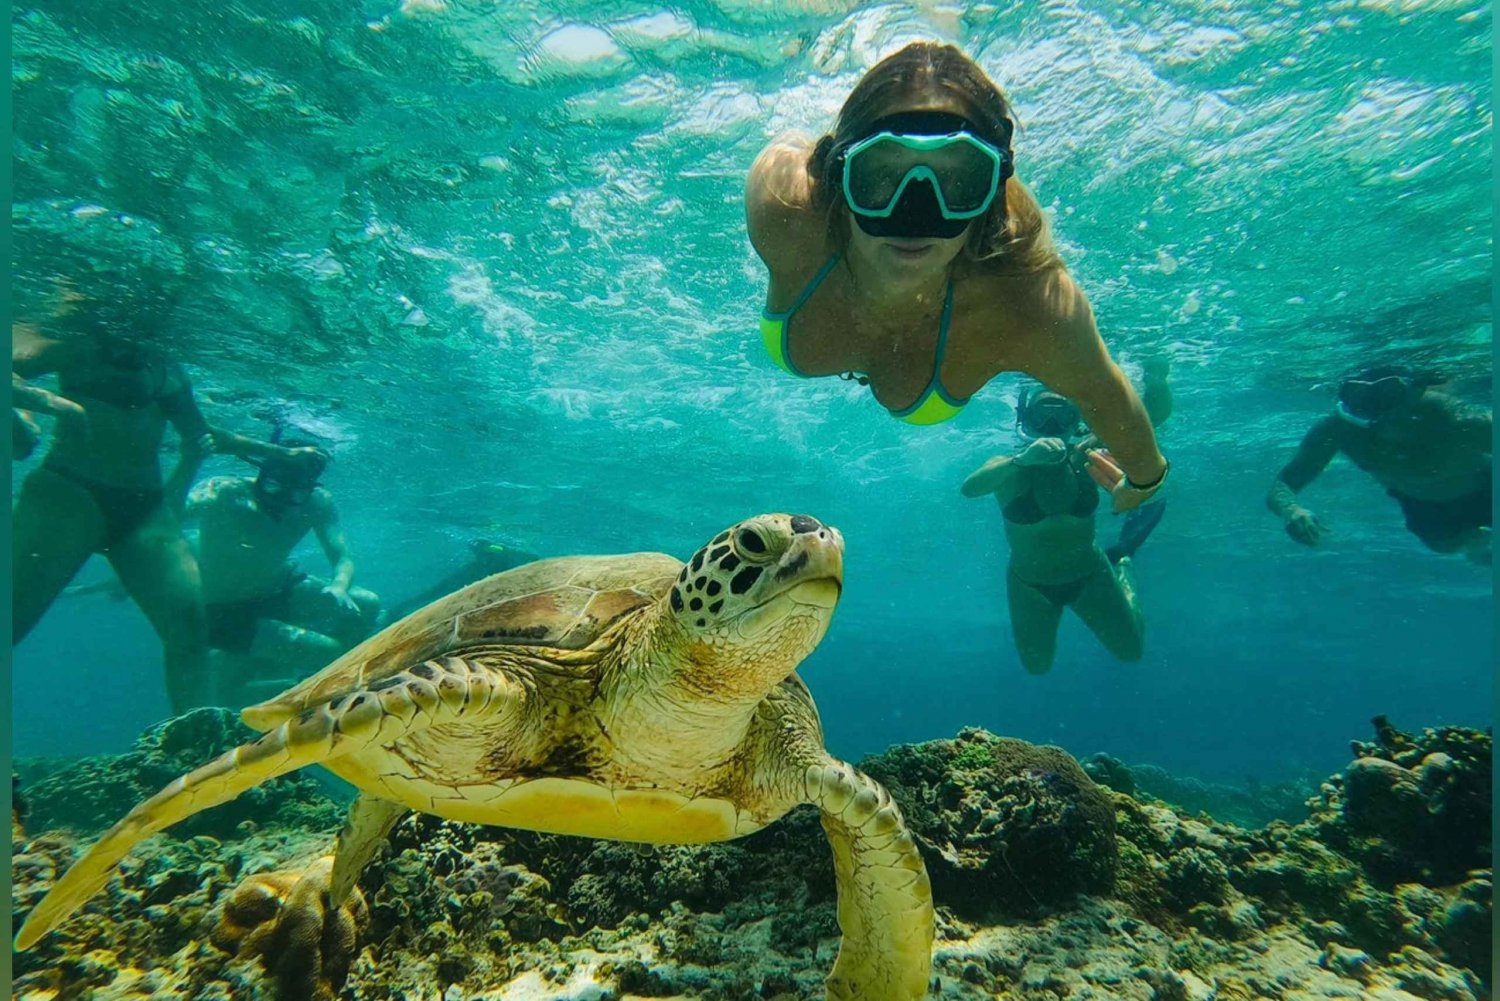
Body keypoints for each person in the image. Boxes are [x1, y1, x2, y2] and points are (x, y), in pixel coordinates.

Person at [746, 41, 1168, 511]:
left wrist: (1146, 481)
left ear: (990, 190)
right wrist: (1145, 480)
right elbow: (786, 149)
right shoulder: (786, 212)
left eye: (958, 181)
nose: (916, 213)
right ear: (838, 172)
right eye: (881, 175)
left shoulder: (1027, 300)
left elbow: (1100, 390)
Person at [11, 320, 322, 712]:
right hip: (70, 494)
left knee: (189, 631)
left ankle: (195, 749)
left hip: (145, 510)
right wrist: (50, 408)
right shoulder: (75, 341)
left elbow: (201, 434)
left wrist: (283, 455)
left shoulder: (166, 367)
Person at [960, 360, 1172, 674]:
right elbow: (970, 488)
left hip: (1090, 573)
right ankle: (1122, 559)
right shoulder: (1009, 465)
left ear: (1077, 421)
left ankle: (1122, 562)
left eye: (1061, 415)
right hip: (1030, 585)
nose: (1051, 425)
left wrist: (1157, 376)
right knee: (1036, 666)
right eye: (1041, 417)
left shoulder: (1089, 453)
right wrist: (1022, 460)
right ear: (1026, 421)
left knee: (1131, 652)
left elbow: (1152, 416)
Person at [180, 446, 381, 703]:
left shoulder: (317, 502)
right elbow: (167, 516)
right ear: (263, 472)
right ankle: (307, 690)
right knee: (332, 655)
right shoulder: (221, 491)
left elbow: (343, 558)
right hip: (222, 610)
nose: (279, 502)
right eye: (274, 486)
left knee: (369, 604)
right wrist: (189, 460)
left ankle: (315, 681)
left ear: (309, 486)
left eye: (295, 492)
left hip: (277, 589)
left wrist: (339, 586)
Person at [1267, 366, 1492, 564]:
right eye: (1363, 399)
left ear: (1416, 392)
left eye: (1389, 395)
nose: (1380, 412)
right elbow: (1284, 484)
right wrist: (1292, 510)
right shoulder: (1338, 430)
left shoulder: (1458, 419)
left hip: (1485, 488)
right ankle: (1477, 547)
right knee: (1445, 546)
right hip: (1421, 504)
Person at [385, 537, 540, 622]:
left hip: (490, 586)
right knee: (434, 593)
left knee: (435, 593)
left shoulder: (511, 554)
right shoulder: (476, 566)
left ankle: (398, 610)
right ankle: (397, 610)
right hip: (477, 583)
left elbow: (534, 559)